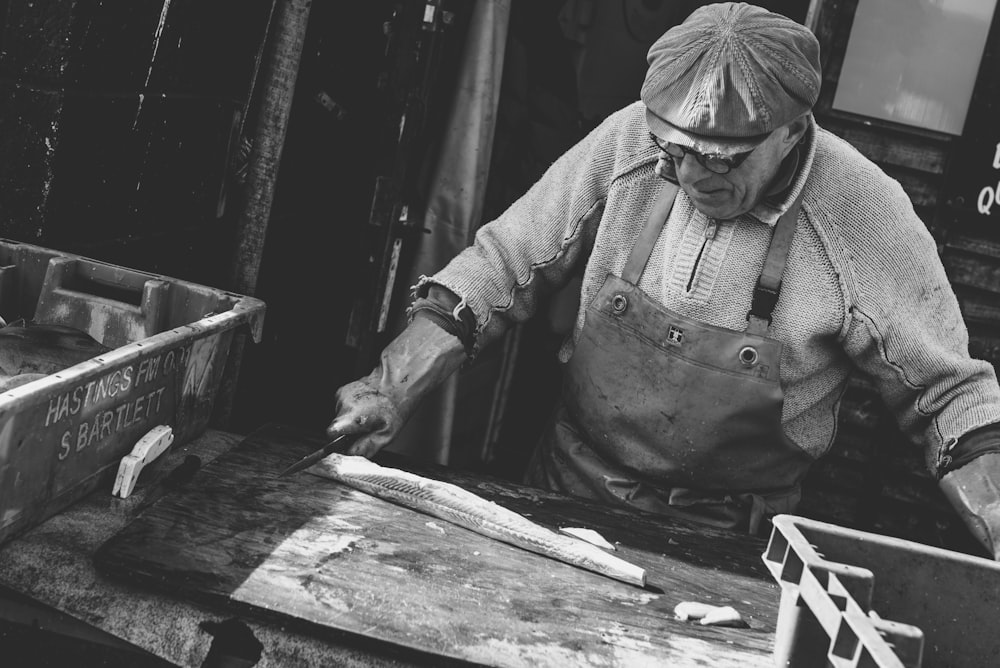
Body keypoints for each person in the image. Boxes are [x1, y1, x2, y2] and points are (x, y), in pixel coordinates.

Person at [326, 3, 1000, 553]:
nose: (686, 176)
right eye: (674, 150)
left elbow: (952, 400)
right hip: (565, 488)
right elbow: (504, 262)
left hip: (730, 538)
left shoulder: (861, 214)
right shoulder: (631, 144)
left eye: (720, 160)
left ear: (793, 131)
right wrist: (392, 384)